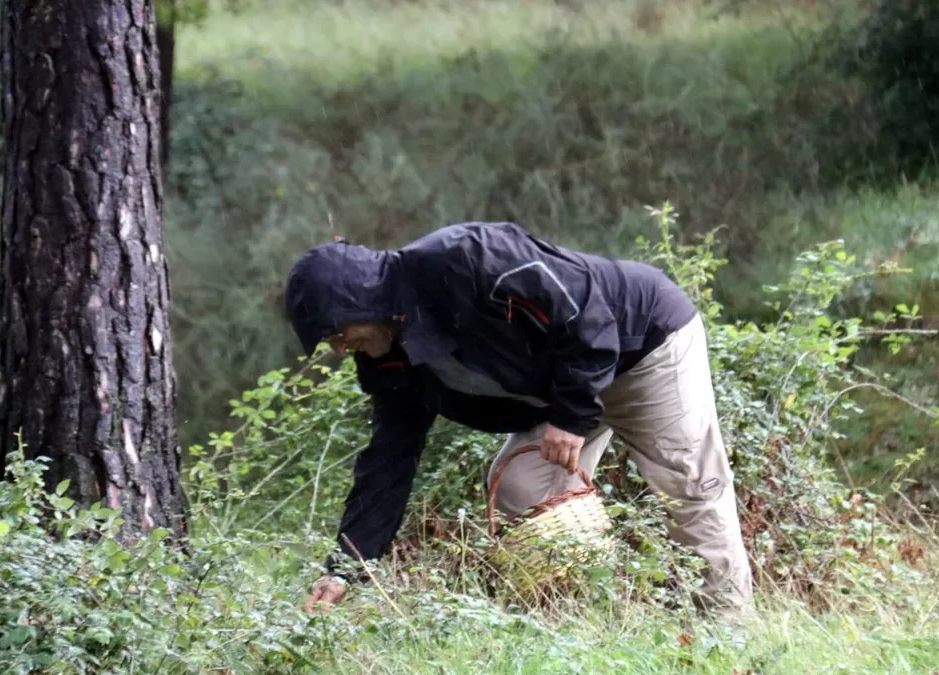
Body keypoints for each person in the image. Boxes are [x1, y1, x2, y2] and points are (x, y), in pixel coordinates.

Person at [282, 221, 753, 615]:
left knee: (689, 485)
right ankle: (591, 625)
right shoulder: (386, 358)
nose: (340, 349)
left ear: (360, 300)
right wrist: (346, 567)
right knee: (521, 490)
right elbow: (388, 463)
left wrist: (572, 417)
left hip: (641, 347)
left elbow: (585, 311)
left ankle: (728, 636)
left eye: (337, 332)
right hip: (562, 389)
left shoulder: (466, 257)